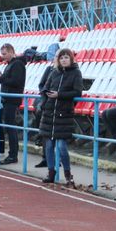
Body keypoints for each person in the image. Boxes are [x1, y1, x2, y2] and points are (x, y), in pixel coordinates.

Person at [38, 48, 83, 186]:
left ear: (71, 59)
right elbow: (44, 88)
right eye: (61, 57)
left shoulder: (76, 73)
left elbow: (77, 92)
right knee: (49, 146)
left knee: (62, 146)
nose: (63, 60)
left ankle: (68, 174)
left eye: (66, 57)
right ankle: (51, 172)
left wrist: (60, 95)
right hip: (49, 113)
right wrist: (44, 102)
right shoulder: (54, 72)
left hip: (64, 113)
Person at [0, 43, 26, 164]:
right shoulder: (11, 64)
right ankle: (12, 154)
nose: (3, 56)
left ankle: (13, 155)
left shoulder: (17, 64)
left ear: (11, 52)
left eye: (5, 54)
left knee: (11, 127)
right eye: (2, 54)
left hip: (11, 100)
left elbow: (16, 82)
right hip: (7, 99)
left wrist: (0, 78)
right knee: (9, 127)